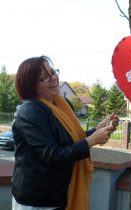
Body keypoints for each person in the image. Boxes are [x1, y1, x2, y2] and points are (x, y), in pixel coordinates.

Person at [12, 55, 119, 210]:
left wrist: (96, 131)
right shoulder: (30, 110)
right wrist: (92, 140)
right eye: (45, 77)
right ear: (31, 85)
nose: (53, 78)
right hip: (37, 199)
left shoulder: (62, 104)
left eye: (53, 72)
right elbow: (53, 155)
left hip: (60, 193)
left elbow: (71, 140)